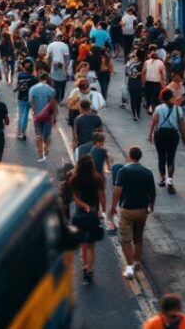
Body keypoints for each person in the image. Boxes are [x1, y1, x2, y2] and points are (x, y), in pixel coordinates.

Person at [109, 146, 156, 280]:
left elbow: (118, 190)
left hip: (127, 210)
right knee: (138, 237)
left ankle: (129, 268)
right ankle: (137, 262)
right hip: (142, 210)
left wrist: (113, 206)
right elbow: (152, 191)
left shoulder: (123, 171)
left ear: (129, 156)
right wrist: (151, 205)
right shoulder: (147, 172)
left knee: (125, 239)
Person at [64, 154, 106, 284]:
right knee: (91, 246)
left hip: (79, 215)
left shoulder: (75, 179)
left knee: (82, 245)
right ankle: (90, 270)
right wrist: (102, 211)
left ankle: (84, 267)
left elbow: (75, 198)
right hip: (93, 215)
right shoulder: (97, 178)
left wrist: (83, 205)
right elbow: (101, 196)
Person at [147, 88, 185, 194]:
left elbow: (154, 122)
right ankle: (170, 181)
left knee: (161, 157)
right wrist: (184, 137)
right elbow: (181, 125)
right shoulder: (178, 109)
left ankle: (162, 179)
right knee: (171, 158)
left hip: (160, 135)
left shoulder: (159, 108)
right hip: (173, 135)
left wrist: (150, 135)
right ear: (171, 97)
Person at [28, 72, 58, 162]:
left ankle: (40, 153)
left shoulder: (32, 89)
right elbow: (53, 105)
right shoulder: (51, 90)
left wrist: (34, 111)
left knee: (38, 135)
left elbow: (31, 102)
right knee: (47, 135)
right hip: (48, 116)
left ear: (39, 79)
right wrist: (54, 117)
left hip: (37, 115)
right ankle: (46, 149)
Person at [14, 59, 36, 140]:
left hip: (21, 97)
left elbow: (18, 85)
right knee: (26, 116)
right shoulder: (33, 78)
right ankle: (23, 132)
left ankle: (21, 133)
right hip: (30, 99)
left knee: (21, 116)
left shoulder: (20, 76)